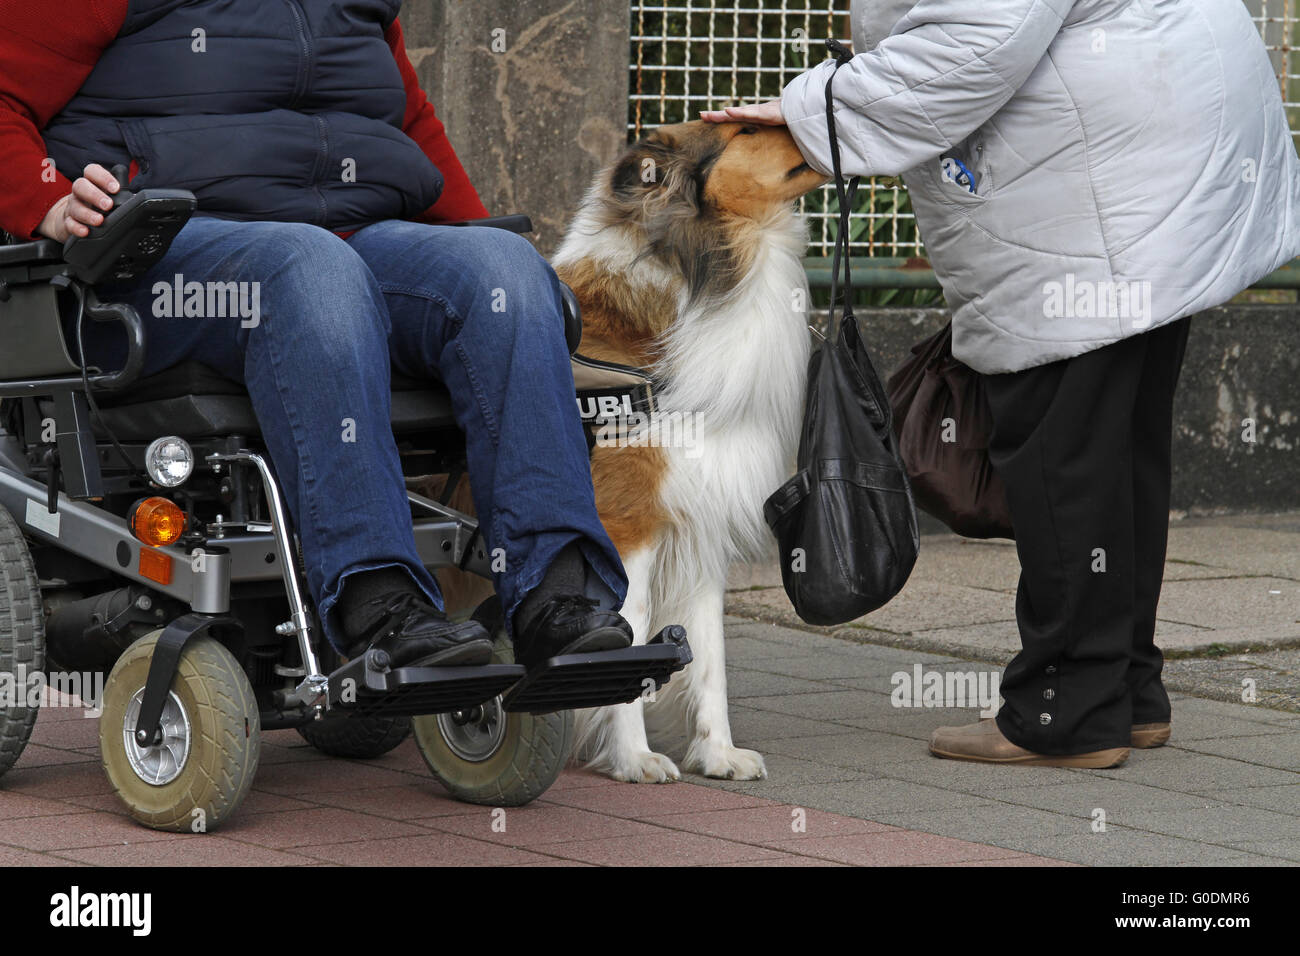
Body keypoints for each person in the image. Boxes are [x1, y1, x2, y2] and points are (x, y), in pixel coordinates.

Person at [706, 0, 1300, 767]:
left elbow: (978, 36)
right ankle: (1125, 689)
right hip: (1157, 143)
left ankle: (1067, 712)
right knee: (1118, 443)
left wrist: (820, 109)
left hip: (1094, 178)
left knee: (1061, 453)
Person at [0, 0, 635, 670]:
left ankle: (557, 599)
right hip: (156, 260)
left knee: (505, 273)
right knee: (311, 267)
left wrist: (490, 264)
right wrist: (46, 202)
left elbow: (405, 123)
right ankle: (378, 602)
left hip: (344, 242)